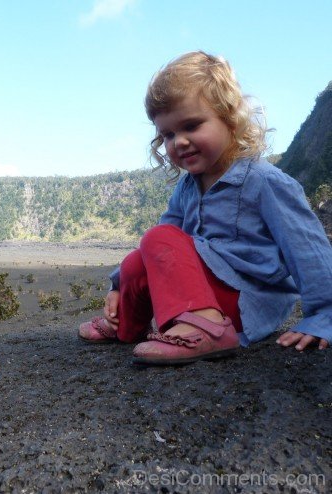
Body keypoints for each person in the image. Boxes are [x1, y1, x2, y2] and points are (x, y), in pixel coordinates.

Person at [78, 51, 332, 365]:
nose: (179, 141)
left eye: (192, 125)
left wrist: (324, 315)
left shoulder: (263, 181)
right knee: (138, 258)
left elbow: (306, 247)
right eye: (168, 134)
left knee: (159, 237)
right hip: (205, 294)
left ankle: (209, 331)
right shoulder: (188, 186)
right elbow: (155, 250)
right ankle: (125, 326)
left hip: (244, 302)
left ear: (230, 118)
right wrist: (119, 285)